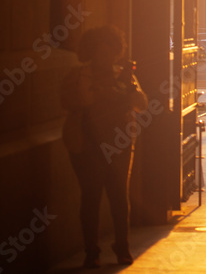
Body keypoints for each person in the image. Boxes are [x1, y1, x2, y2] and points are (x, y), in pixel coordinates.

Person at [60, 26, 148, 267]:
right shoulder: (78, 75)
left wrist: (128, 88)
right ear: (90, 51)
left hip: (119, 143)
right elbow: (66, 101)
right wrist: (96, 94)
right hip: (86, 144)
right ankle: (92, 251)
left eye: (109, 48)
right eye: (100, 48)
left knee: (119, 196)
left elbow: (142, 103)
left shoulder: (124, 75)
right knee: (91, 197)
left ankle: (122, 247)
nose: (105, 53)